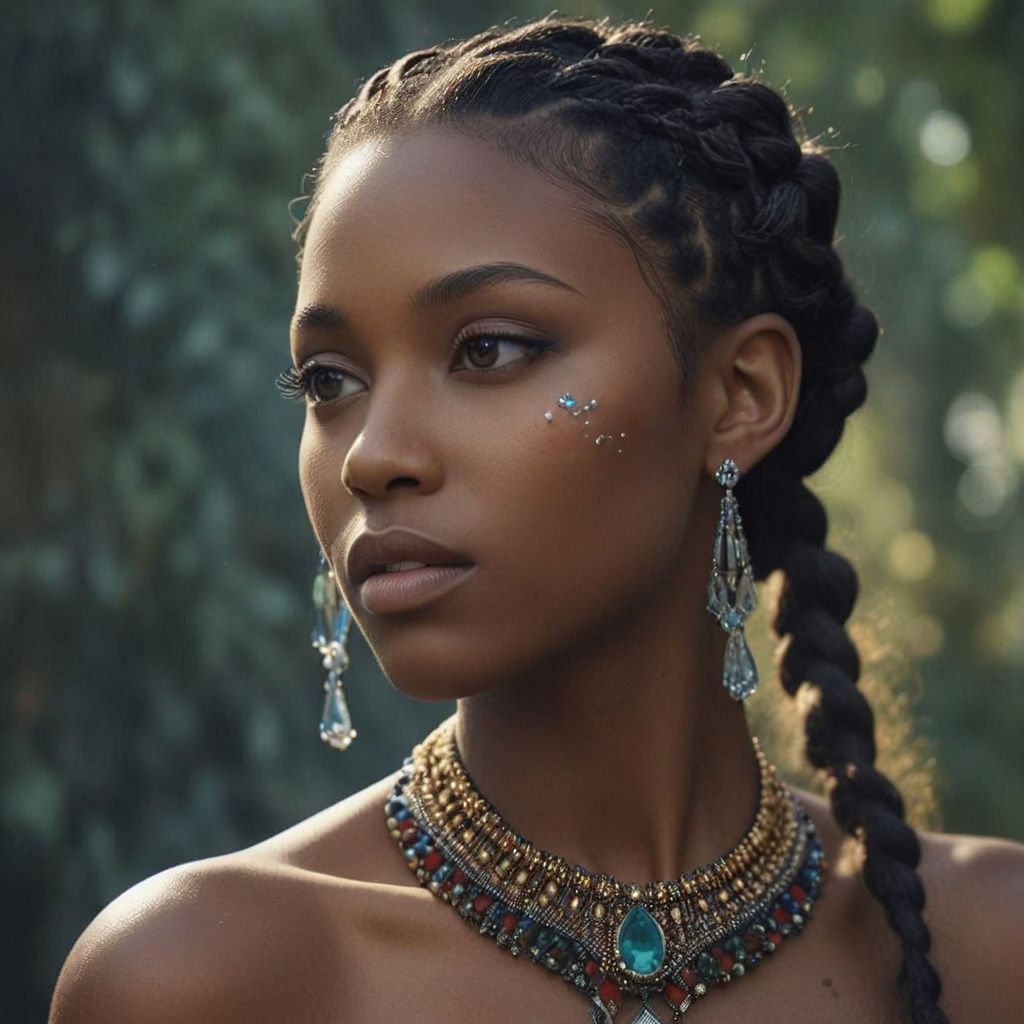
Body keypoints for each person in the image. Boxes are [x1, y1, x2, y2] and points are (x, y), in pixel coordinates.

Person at [50, 15, 1023, 1024]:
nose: (371, 454)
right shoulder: (209, 976)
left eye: (489, 351)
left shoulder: (988, 949)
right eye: (327, 378)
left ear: (739, 392)